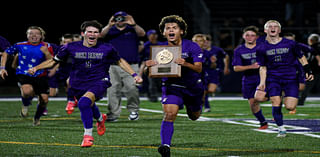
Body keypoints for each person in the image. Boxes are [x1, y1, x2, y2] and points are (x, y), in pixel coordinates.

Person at [28, 20, 142, 147]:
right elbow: (53, 61)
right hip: (79, 82)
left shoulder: (107, 47)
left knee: (83, 103)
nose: (93, 34)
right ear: (83, 33)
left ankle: (88, 136)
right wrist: (36, 68)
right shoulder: (70, 47)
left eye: (96, 32)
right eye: (90, 32)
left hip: (99, 80)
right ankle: (100, 119)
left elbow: (120, 61)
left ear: (99, 34)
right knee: (88, 103)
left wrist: (134, 75)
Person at [145, 15, 204, 157]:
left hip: (192, 87)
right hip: (172, 85)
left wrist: (185, 63)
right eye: (168, 28)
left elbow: (198, 69)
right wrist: (149, 67)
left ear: (181, 31)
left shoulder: (192, 46)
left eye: (174, 28)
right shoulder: (159, 50)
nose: (171, 30)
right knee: (170, 114)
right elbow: (152, 74)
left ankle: (194, 108)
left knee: (194, 116)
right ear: (164, 32)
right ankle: (165, 146)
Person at [256, 20, 313, 137]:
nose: (273, 28)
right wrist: (262, 83)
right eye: (270, 26)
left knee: (290, 106)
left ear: (279, 30)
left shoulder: (290, 43)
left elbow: (301, 57)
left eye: (275, 26)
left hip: (291, 78)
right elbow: (263, 67)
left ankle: (280, 97)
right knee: (275, 102)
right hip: (273, 79)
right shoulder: (261, 48)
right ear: (265, 30)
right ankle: (281, 128)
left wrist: (308, 71)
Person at [0, 26, 53, 126]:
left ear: (41, 35)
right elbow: (5, 53)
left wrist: (46, 53)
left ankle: (37, 118)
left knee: (44, 99)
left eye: (37, 33)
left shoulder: (47, 46)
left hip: (41, 75)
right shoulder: (20, 45)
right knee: (27, 90)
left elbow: (51, 61)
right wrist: (2, 68)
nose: (34, 35)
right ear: (27, 35)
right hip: (24, 73)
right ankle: (25, 104)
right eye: (31, 33)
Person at [100, 11, 145, 121]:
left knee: (132, 88)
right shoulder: (110, 30)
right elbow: (100, 35)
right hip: (113, 65)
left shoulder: (132, 29)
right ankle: (113, 114)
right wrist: (109, 24)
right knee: (112, 89)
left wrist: (133, 24)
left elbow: (142, 33)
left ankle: (133, 110)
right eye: (117, 18)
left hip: (131, 65)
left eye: (122, 18)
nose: (120, 20)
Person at [232, 26, 268, 129]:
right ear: (243, 36)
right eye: (247, 35)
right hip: (248, 78)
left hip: (263, 77)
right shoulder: (239, 50)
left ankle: (277, 100)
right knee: (253, 103)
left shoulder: (263, 47)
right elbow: (236, 68)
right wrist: (250, 66)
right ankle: (263, 122)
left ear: (256, 37)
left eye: (252, 35)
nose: (249, 37)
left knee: (262, 97)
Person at [202, 34, 230, 112]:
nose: (206, 43)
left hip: (214, 71)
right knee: (204, 89)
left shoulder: (216, 50)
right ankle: (206, 106)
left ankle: (202, 98)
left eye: (207, 41)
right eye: (204, 41)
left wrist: (226, 67)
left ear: (210, 42)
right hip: (203, 72)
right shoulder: (200, 51)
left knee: (211, 90)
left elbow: (226, 56)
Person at [139, 29, 162, 102]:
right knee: (151, 81)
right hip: (149, 65)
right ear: (148, 36)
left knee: (160, 82)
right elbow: (141, 56)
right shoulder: (146, 45)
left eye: (155, 35)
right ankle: (152, 96)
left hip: (160, 64)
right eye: (151, 35)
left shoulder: (161, 44)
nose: (153, 37)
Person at [298, 34, 320, 106]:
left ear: (310, 40)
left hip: (313, 70)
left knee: (307, 87)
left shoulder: (310, 48)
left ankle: (300, 101)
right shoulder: (311, 48)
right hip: (315, 70)